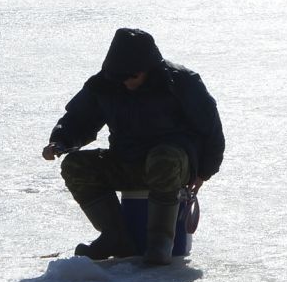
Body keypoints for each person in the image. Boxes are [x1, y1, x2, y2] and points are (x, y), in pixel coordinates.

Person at [43, 28, 224, 265]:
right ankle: (115, 237)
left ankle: (161, 243)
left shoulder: (180, 82)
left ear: (149, 69)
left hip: (174, 165)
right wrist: (60, 141)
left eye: (133, 77)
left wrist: (203, 172)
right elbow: (79, 119)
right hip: (127, 160)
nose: (127, 83)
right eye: (121, 78)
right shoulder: (105, 84)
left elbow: (211, 129)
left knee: (163, 158)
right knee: (77, 165)